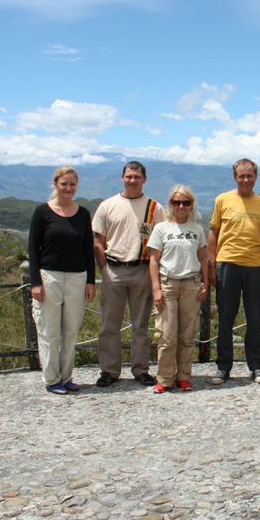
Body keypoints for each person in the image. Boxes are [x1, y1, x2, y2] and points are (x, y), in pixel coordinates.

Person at [92, 161, 166, 387]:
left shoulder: (155, 208)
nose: (132, 180)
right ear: (122, 177)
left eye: (137, 177)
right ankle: (109, 370)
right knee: (109, 325)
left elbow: (161, 242)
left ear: (144, 179)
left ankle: (140, 369)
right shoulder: (108, 206)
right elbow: (97, 240)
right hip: (113, 269)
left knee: (141, 326)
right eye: (129, 176)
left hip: (142, 270)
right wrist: (105, 269)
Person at [28, 166, 96, 395]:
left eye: (72, 184)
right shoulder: (42, 212)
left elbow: (88, 249)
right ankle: (51, 378)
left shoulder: (83, 214)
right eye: (64, 184)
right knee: (49, 331)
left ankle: (66, 377)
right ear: (55, 184)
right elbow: (33, 249)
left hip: (77, 277)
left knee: (71, 331)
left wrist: (91, 281)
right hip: (50, 278)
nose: (68, 188)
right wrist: (35, 282)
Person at [208, 158, 260, 385]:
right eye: (241, 175)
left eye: (250, 175)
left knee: (254, 319)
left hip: (255, 267)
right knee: (226, 318)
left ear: (256, 176)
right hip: (227, 264)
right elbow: (214, 233)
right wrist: (211, 265)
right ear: (235, 177)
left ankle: (256, 366)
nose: (245, 180)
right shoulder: (222, 200)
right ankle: (223, 367)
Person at [147, 185, 209, 393]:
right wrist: (156, 288)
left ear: (191, 205)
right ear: (170, 205)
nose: (181, 206)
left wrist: (206, 284)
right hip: (168, 284)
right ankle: (164, 379)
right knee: (166, 335)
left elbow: (203, 259)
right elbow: (153, 260)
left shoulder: (197, 229)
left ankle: (184, 376)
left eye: (185, 202)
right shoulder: (161, 228)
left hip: (191, 284)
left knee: (186, 335)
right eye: (177, 202)